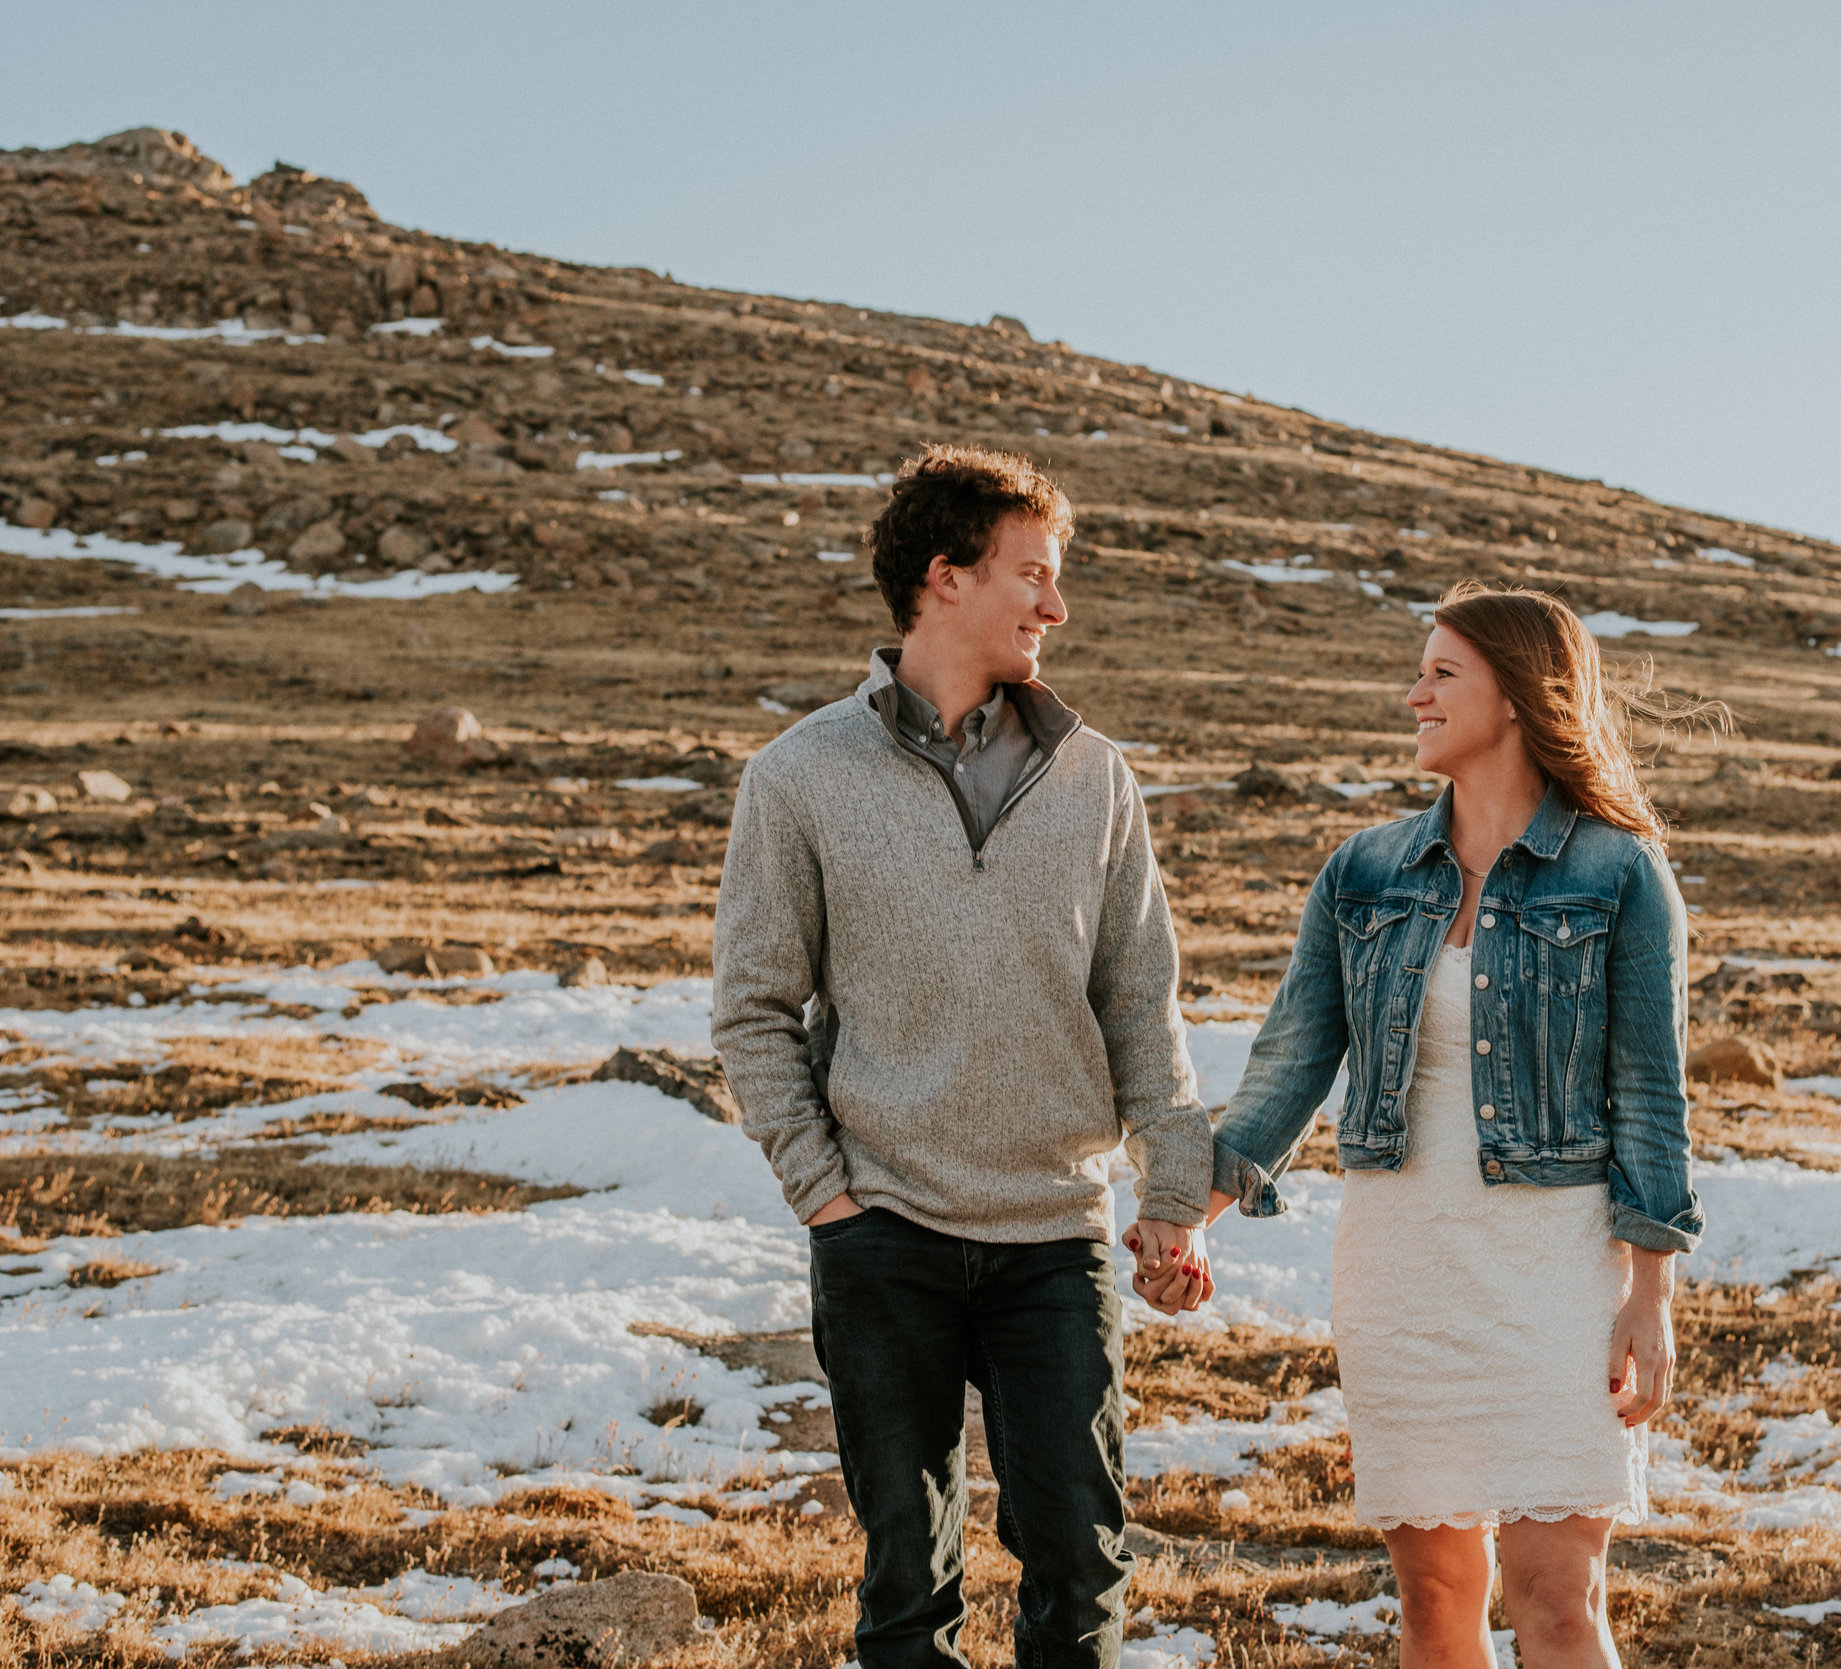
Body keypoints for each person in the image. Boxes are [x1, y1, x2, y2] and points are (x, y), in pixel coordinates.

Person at [711, 444, 1214, 1669]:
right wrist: (826, 1195)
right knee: (904, 1588)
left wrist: (1178, 1199)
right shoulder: (799, 777)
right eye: (1032, 575)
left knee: (1082, 1564)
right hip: (884, 1231)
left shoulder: (1096, 777)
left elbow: (1141, 1001)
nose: (1056, 605)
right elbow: (754, 1009)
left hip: (1054, 1233)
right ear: (945, 578)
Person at [1203, 583, 1705, 1669]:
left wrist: (1649, 1292)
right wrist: (1184, 1211)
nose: (1414, 691)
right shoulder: (1365, 872)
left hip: (1552, 1270)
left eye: (1442, 673)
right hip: (1401, 1264)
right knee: (1433, 1595)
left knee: (1555, 1596)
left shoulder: (1618, 874)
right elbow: (1291, 1064)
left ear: (1519, 697)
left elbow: (1651, 1094)